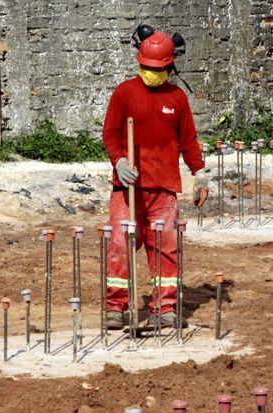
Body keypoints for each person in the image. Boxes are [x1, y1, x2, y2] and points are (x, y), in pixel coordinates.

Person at [102, 30, 208, 329]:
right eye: (145, 67)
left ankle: (164, 308)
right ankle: (115, 306)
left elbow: (189, 141)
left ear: (169, 66)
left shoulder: (177, 99)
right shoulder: (125, 92)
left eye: (155, 69)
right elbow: (110, 133)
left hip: (163, 188)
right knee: (120, 244)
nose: (150, 73)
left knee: (165, 247)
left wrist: (200, 175)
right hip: (127, 187)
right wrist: (119, 161)